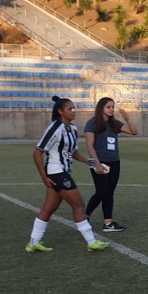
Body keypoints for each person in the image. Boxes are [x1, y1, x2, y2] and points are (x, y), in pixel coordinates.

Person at [24, 96, 108, 253]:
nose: (73, 111)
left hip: (63, 172)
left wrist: (93, 163)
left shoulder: (73, 129)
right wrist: (45, 178)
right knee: (78, 204)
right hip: (56, 172)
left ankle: (33, 243)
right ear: (61, 111)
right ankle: (91, 242)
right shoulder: (55, 128)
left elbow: (74, 152)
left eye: (74, 108)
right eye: (70, 109)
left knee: (49, 209)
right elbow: (37, 153)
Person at [84, 97, 138, 232]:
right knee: (102, 191)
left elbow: (134, 132)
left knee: (109, 192)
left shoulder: (115, 123)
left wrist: (127, 118)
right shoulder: (92, 123)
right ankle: (84, 217)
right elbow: (89, 145)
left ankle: (108, 223)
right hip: (98, 161)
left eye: (112, 107)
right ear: (101, 108)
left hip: (114, 161)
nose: (111, 109)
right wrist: (96, 163)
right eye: (108, 107)